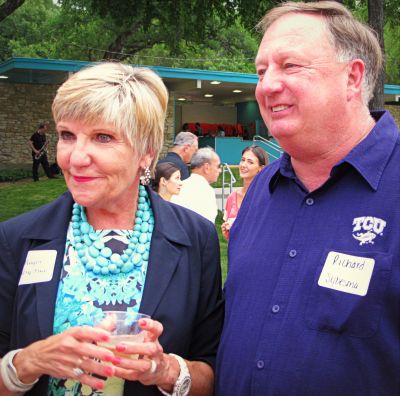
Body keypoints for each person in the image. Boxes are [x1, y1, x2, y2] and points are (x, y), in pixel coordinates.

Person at [0, 62, 224, 396]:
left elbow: (212, 372)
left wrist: (165, 369)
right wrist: (30, 361)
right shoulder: (17, 238)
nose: (76, 158)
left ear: (145, 153)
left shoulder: (195, 238)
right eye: (67, 135)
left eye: (103, 137)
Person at [216, 1, 400, 395]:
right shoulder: (260, 191)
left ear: (352, 78)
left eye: (290, 66)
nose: (266, 85)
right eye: (261, 71)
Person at [221, 145, 268, 240]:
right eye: (243, 160)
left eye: (250, 162)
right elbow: (230, 238)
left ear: (261, 168)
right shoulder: (232, 197)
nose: (243, 165)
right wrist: (226, 232)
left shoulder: (267, 198)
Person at [171, 147, 221, 224]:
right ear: (206, 167)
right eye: (218, 166)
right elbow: (207, 226)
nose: (220, 170)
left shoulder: (178, 187)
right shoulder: (207, 191)